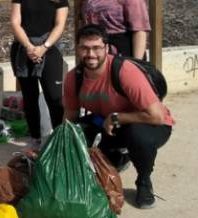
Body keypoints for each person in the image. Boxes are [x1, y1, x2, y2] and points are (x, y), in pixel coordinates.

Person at [64, 24, 174, 209]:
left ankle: (144, 182)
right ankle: (114, 160)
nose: (90, 54)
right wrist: (60, 145)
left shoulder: (124, 72)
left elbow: (156, 116)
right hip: (107, 123)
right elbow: (70, 117)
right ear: (78, 49)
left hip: (150, 124)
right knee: (74, 133)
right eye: (85, 48)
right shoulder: (73, 78)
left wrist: (118, 118)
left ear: (106, 48)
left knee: (137, 136)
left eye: (96, 48)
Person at [10, 0, 68, 149]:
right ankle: (35, 138)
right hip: (25, 49)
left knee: (55, 97)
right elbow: (15, 22)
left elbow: (60, 24)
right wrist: (28, 46)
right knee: (30, 97)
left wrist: (44, 47)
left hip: (49, 49)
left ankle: (60, 139)